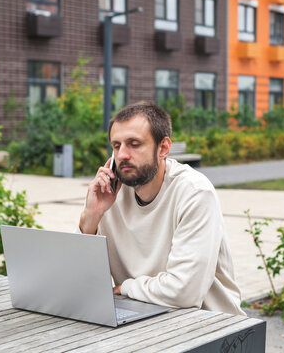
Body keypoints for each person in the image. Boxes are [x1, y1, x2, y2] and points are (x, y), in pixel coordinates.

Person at [77, 101, 245, 315]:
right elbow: (78, 283)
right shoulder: (110, 195)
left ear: (163, 148)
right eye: (117, 145)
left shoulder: (194, 192)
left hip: (210, 326)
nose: (122, 155)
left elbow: (184, 292)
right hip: (139, 316)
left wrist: (126, 288)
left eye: (134, 144)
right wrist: (91, 216)